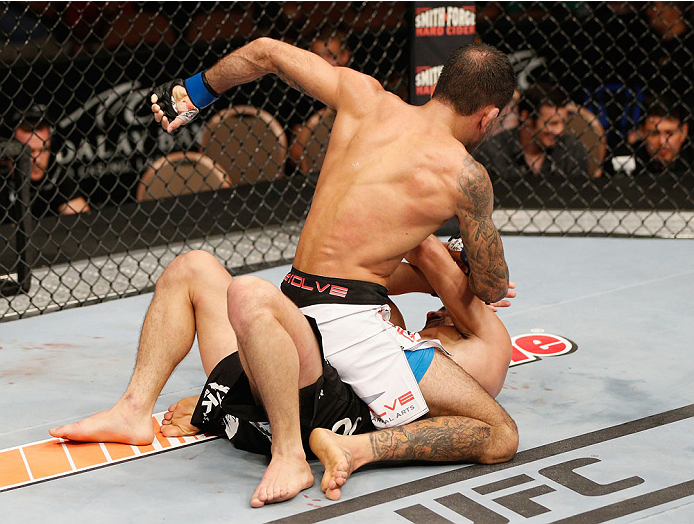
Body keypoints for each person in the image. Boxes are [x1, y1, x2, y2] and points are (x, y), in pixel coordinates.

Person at [149, 37, 518, 505]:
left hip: (294, 298)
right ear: (487, 117)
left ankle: (144, 407)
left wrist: (194, 92)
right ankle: (357, 448)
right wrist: (461, 255)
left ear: (438, 87)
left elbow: (266, 52)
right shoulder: (465, 175)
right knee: (499, 433)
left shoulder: (364, 97)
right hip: (352, 327)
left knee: (233, 291)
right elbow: (490, 286)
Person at [50, 237, 516, 502]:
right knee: (194, 267)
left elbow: (436, 273)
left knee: (254, 295)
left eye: (444, 313)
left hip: (322, 403)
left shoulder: (481, 351)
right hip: (293, 377)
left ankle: (283, 450)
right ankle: (133, 410)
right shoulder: (392, 330)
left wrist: (440, 244)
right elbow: (362, 276)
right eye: (435, 308)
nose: (433, 314)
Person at [475, 84, 589, 181]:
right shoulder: (492, 152)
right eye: (552, 123)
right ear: (526, 118)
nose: (560, 131)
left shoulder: (572, 150)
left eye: (563, 123)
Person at [2, 106, 89, 221]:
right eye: (29, 152)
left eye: (43, 150)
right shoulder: (3, 179)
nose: (37, 159)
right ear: (10, 152)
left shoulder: (55, 174)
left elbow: (82, 221)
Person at [628, 95, 691, 179]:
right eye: (654, 133)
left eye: (669, 133)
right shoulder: (629, 162)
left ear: (684, 131)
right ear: (642, 132)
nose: (662, 141)